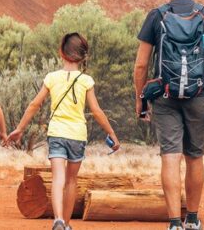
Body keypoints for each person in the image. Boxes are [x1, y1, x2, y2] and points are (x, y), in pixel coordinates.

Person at [134, 0, 204, 230]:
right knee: (195, 156)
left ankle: (174, 223)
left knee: (170, 156)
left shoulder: (157, 16)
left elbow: (141, 66)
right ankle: (193, 219)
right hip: (200, 95)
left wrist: (140, 99)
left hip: (164, 96)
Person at [7, 32, 120, 230]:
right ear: (83, 56)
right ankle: (66, 224)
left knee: (58, 178)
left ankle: (58, 219)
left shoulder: (52, 78)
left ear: (61, 53)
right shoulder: (86, 81)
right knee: (71, 180)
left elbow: (34, 104)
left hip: (57, 133)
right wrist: (111, 132)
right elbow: (96, 110)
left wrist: (19, 129)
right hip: (77, 135)